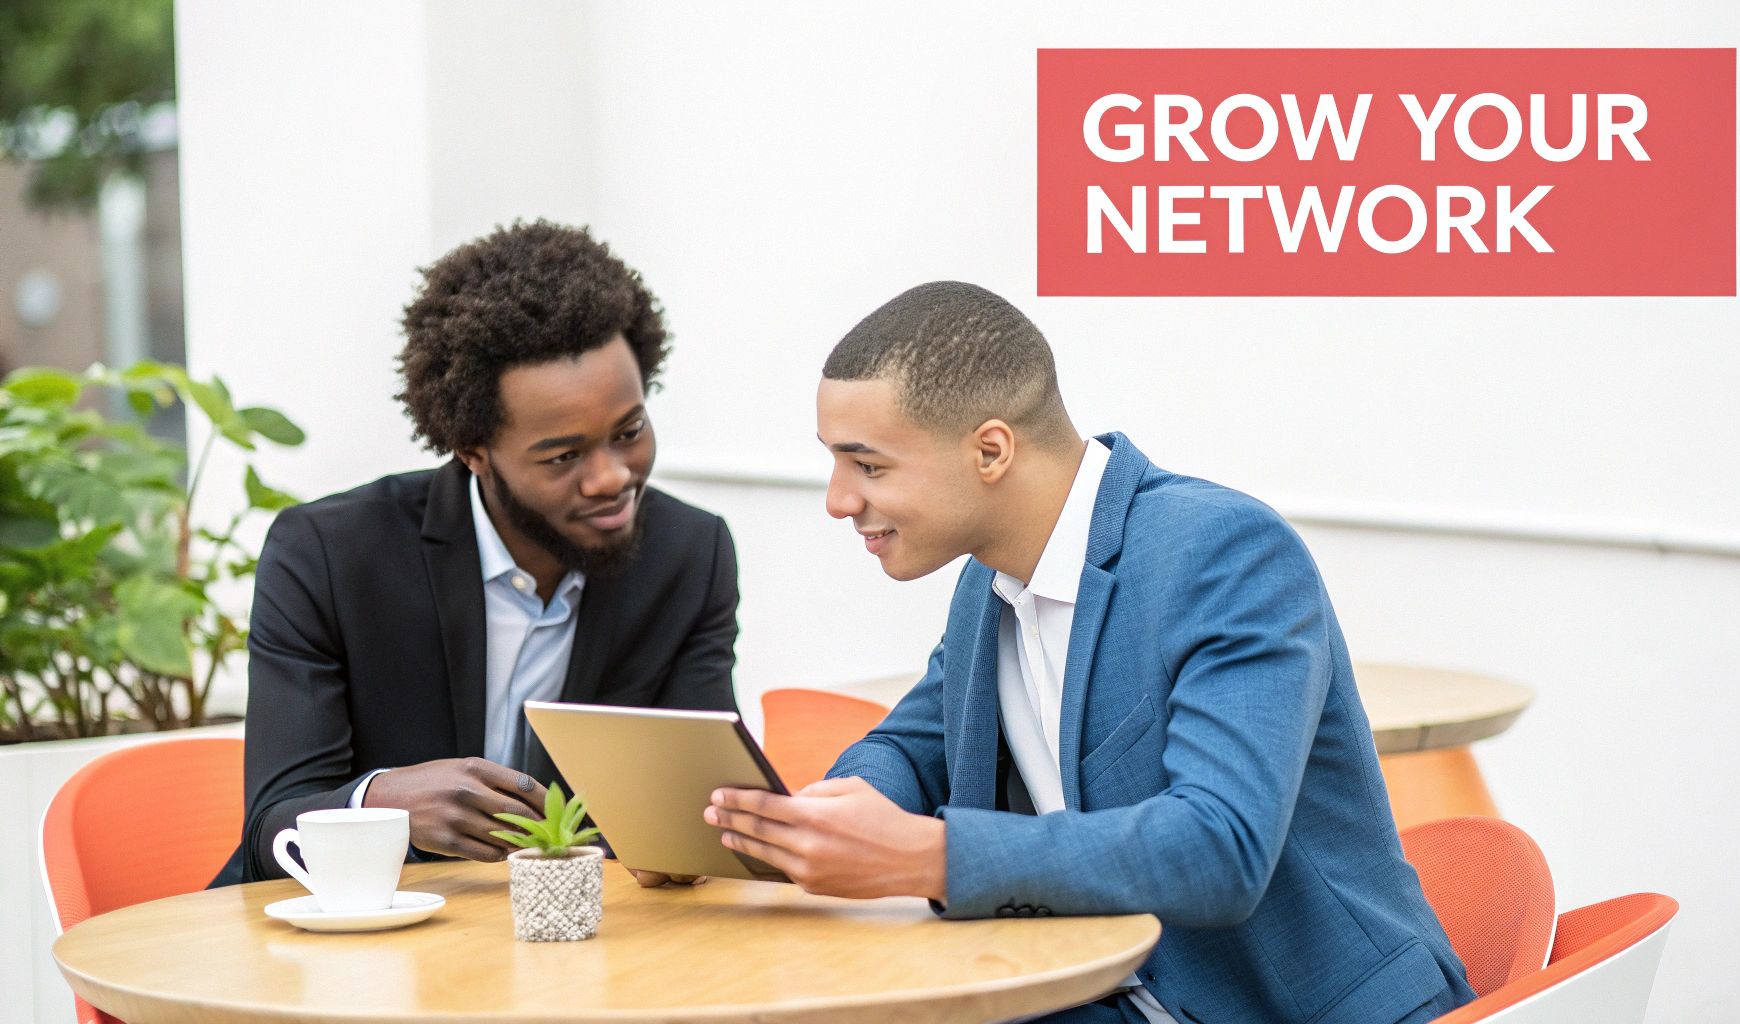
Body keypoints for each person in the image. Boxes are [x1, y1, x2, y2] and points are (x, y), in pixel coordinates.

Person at [705, 282, 1474, 1023]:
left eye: (868, 465)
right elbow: (911, 748)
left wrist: (928, 857)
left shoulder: (1224, 554)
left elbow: (1220, 847)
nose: (839, 499)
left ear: (992, 450)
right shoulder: (989, 584)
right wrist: (801, 825)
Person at [214, 221, 736, 887]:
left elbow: (699, 810)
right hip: (350, 952)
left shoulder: (688, 556)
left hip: (571, 953)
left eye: (629, 432)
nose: (611, 477)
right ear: (472, 450)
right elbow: (272, 831)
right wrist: (382, 803)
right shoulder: (331, 557)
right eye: (564, 455)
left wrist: (690, 836)